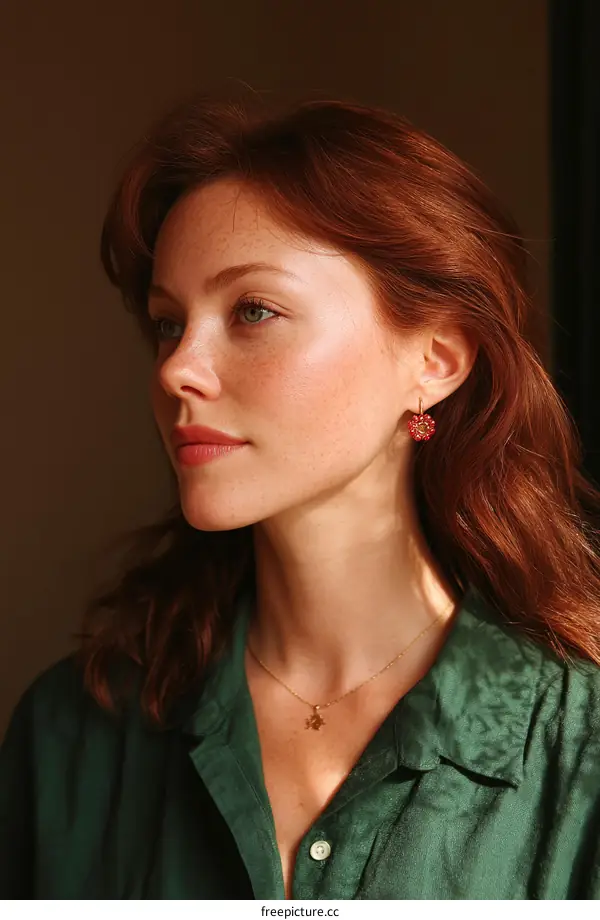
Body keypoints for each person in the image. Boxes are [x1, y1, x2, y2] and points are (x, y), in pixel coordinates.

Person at [2, 92, 600, 901]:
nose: (178, 369)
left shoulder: (578, 745)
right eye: (169, 324)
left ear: (436, 361)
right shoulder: (73, 734)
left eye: (253, 310)